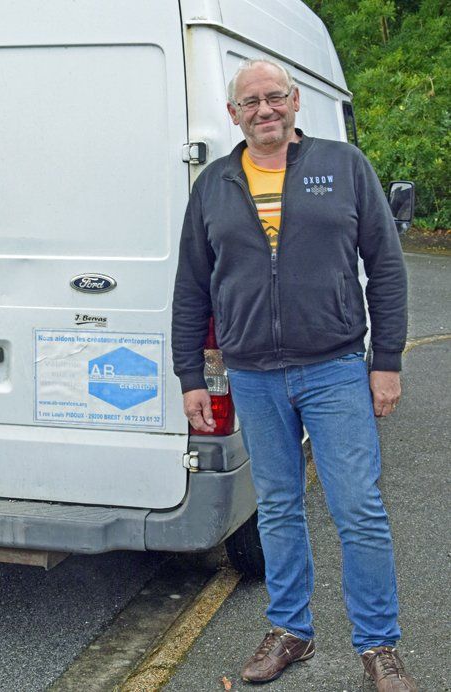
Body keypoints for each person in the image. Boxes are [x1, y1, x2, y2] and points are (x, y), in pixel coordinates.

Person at [172, 59, 417, 691]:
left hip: (335, 369)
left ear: (295, 100)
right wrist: (191, 376)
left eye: (274, 97)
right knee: (278, 507)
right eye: (250, 102)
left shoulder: (344, 166)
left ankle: (378, 644)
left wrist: (386, 362)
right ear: (233, 114)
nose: (264, 109)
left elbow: (386, 268)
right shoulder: (215, 184)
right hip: (252, 376)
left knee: (358, 509)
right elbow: (192, 287)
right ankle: (291, 630)